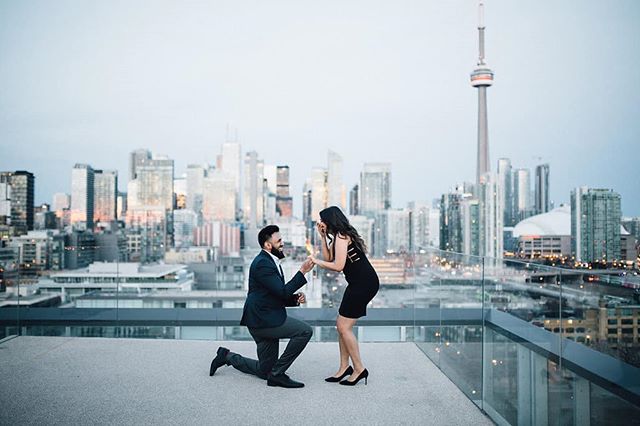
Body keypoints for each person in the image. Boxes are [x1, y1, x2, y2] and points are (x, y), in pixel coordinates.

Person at [209, 225, 315, 388]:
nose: (282, 243)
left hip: (262, 317)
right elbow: (280, 291)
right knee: (305, 331)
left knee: (264, 370)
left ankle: (227, 356)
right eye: (279, 240)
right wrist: (302, 272)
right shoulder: (263, 264)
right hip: (263, 321)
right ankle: (277, 374)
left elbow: (271, 294)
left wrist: (294, 299)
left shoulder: (270, 261)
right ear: (268, 245)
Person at [310, 206, 379, 386]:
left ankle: (359, 369)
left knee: (343, 326)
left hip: (364, 284)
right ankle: (344, 368)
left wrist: (316, 262)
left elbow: (338, 266)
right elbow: (329, 256)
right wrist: (323, 237)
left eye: (322, 220)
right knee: (342, 326)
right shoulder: (338, 236)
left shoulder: (342, 236)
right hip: (358, 283)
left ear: (330, 220)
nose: (320, 223)